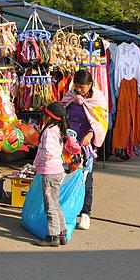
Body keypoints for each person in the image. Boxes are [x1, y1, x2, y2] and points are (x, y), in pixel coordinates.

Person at [61, 69, 107, 231]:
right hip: (69, 142)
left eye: (82, 87)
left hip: (86, 144)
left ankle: (85, 213)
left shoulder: (98, 99)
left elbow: (101, 122)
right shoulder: (70, 96)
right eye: (77, 86)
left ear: (90, 85)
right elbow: (61, 114)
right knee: (67, 177)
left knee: (85, 178)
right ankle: (68, 210)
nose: (79, 90)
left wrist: (90, 134)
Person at [33, 102, 70, 247]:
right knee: (56, 203)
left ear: (49, 117)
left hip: (49, 172)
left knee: (50, 205)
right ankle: (62, 233)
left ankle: (52, 236)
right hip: (57, 170)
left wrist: (36, 163)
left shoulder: (49, 131)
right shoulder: (59, 129)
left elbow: (47, 152)